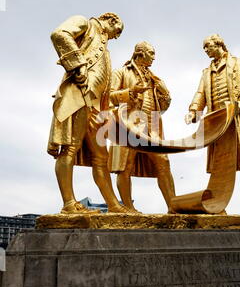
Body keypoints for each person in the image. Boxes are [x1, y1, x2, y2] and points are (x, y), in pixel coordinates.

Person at [47, 12, 129, 214]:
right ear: (111, 20)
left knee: (102, 157)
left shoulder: (106, 50)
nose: (115, 37)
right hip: (79, 96)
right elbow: (59, 34)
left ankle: (114, 205)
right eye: (117, 31)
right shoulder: (85, 23)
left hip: (97, 108)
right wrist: (78, 65)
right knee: (70, 148)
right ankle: (69, 204)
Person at [185, 34, 240, 216]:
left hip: (237, 119)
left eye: (208, 46)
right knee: (218, 167)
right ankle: (217, 206)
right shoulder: (206, 72)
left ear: (219, 44)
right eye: (204, 48)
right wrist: (194, 110)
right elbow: (200, 94)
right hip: (216, 123)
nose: (206, 50)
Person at [108, 41, 176, 213]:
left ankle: (173, 207)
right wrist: (131, 91)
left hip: (152, 127)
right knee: (125, 166)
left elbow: (163, 107)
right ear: (140, 53)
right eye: (151, 53)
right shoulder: (121, 72)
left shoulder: (154, 78)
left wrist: (165, 94)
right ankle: (129, 208)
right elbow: (108, 96)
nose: (154, 57)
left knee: (164, 162)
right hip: (128, 124)